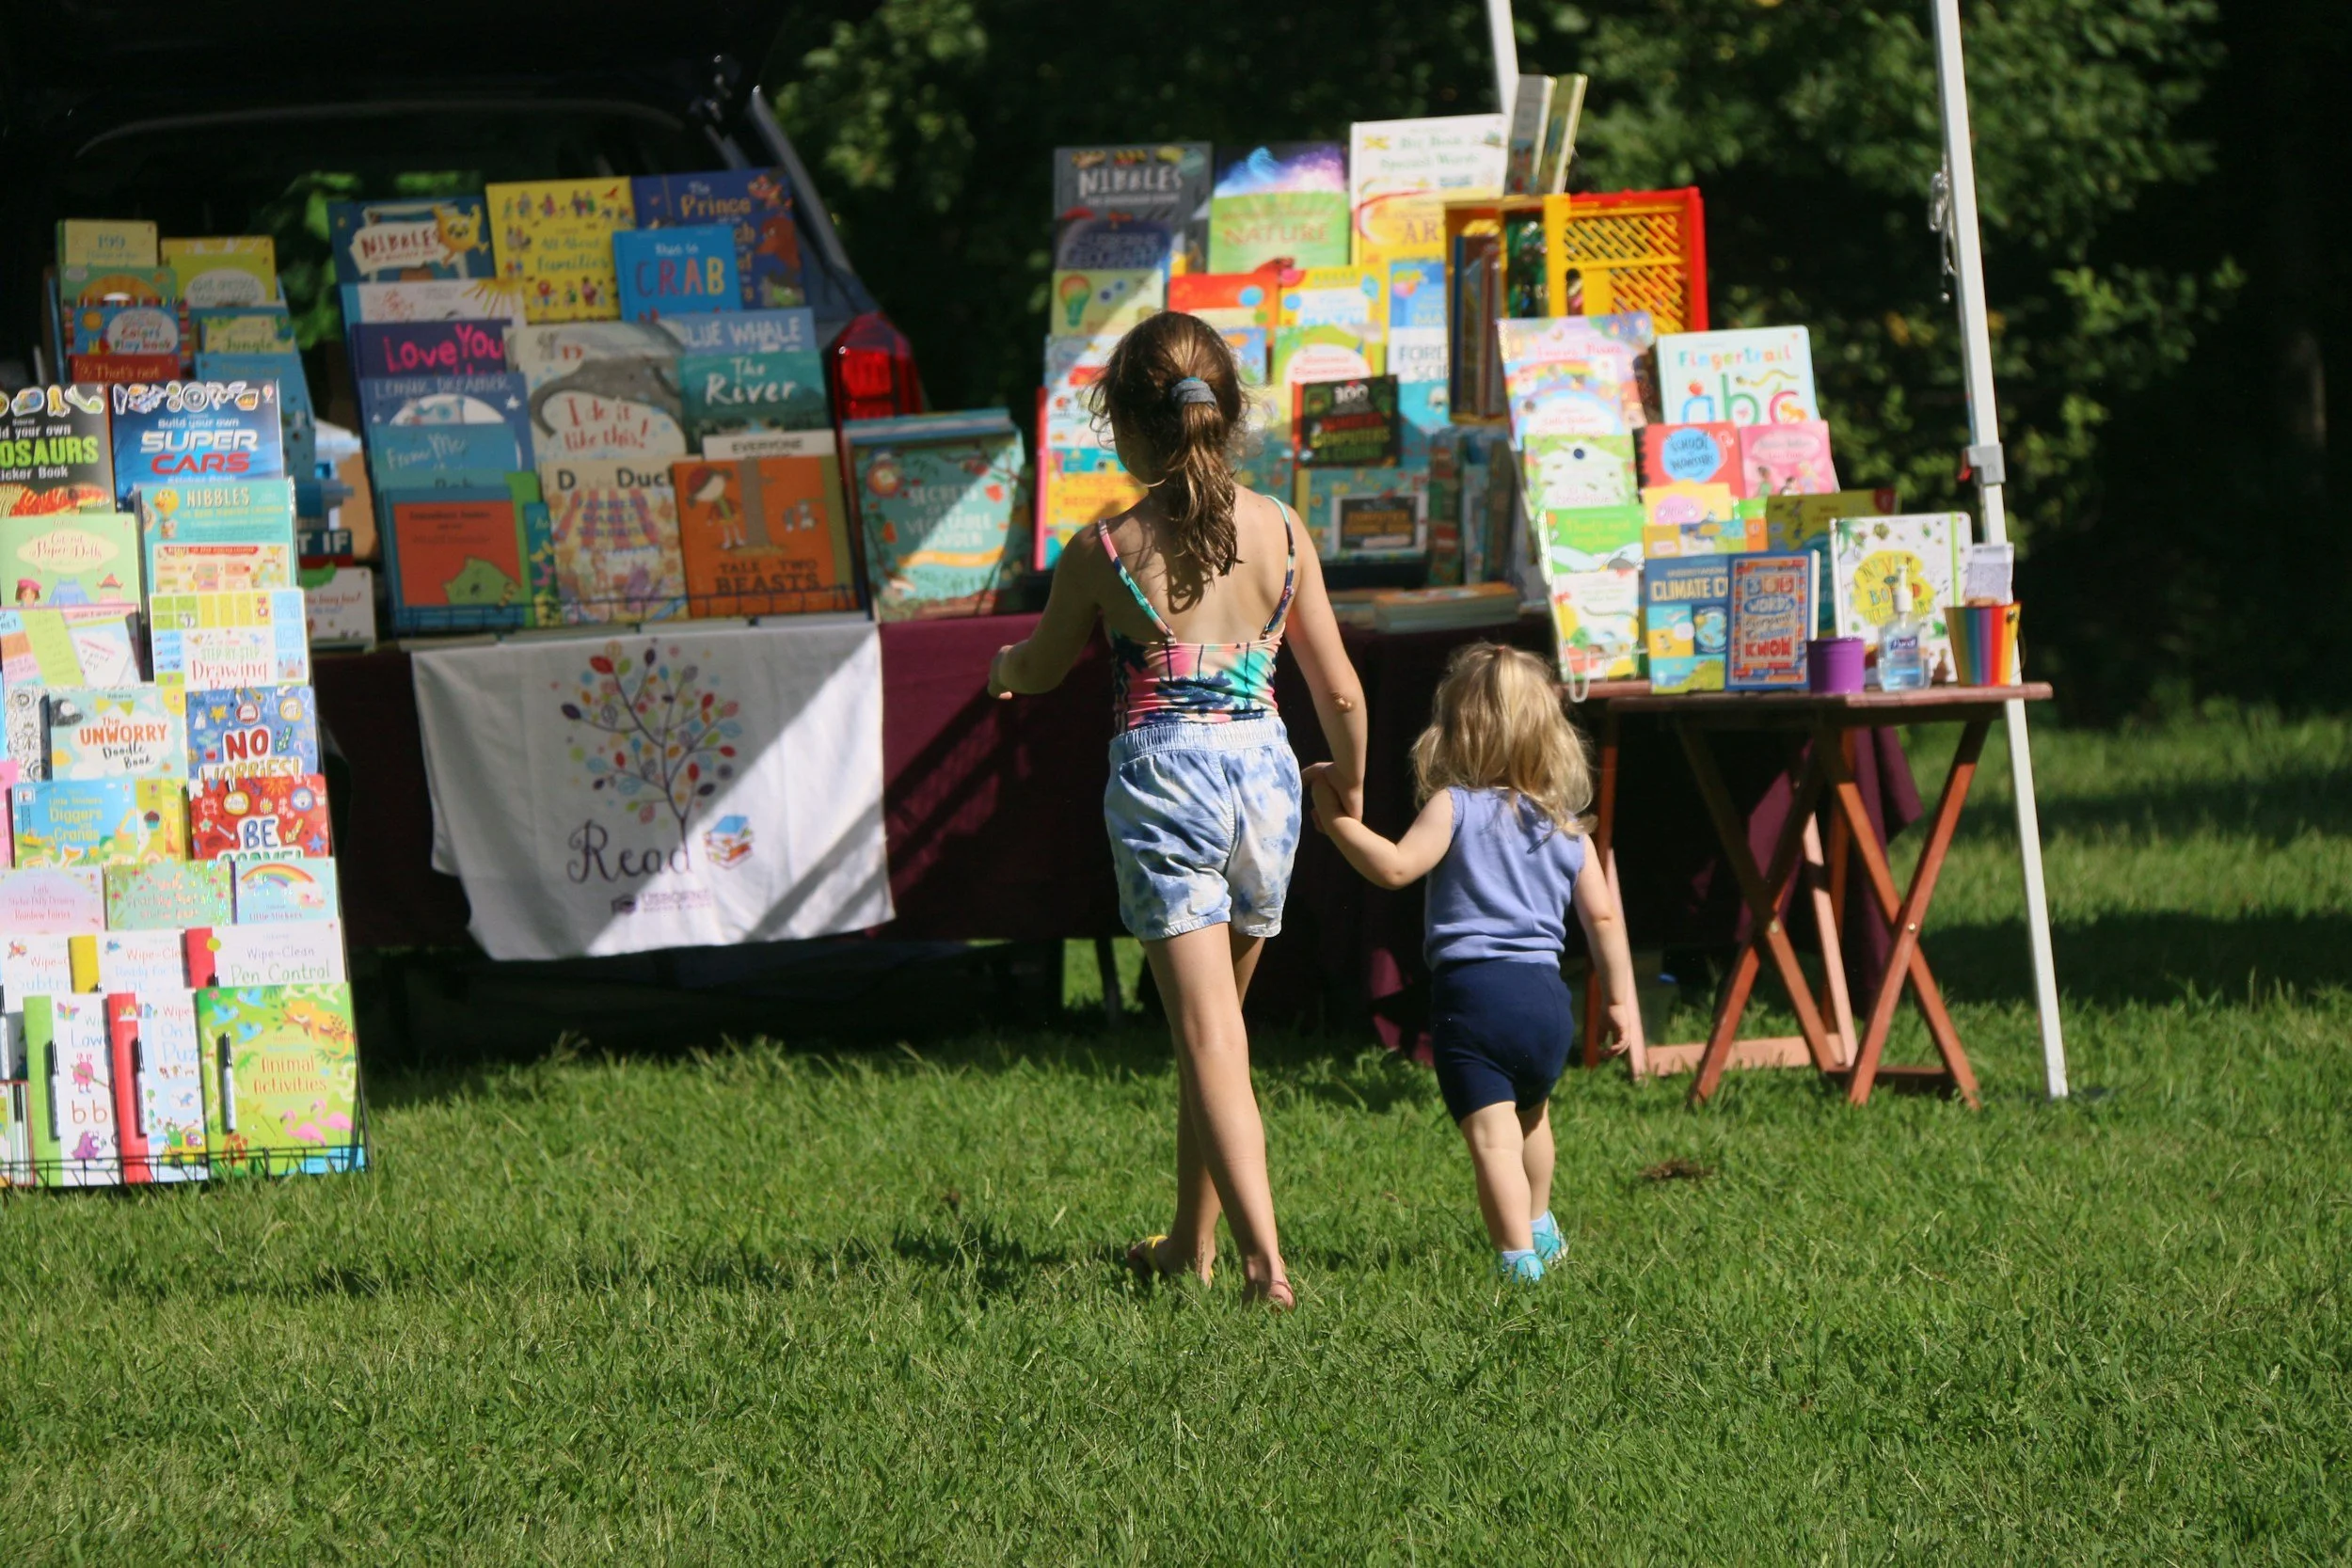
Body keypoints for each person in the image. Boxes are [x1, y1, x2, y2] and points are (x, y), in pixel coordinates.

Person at [987, 310, 1369, 1310]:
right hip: (1266, 782)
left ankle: (1263, 1266)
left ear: (1121, 421)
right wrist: (1354, 783)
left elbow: (1038, 662)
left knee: (1206, 1037)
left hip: (1169, 784)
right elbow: (1340, 695)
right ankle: (1187, 1246)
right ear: (1229, 412)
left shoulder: (1106, 548)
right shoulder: (1283, 529)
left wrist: (1000, 672)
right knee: (1221, 1034)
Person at [1309, 642, 1643, 1283]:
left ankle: (1517, 1259)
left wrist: (1330, 813)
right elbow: (1602, 918)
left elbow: (1394, 866)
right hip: (1548, 1003)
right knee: (1532, 1115)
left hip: (1475, 997)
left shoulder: (1455, 806)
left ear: (1456, 729)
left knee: (1492, 1139)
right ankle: (1541, 1223)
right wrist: (1622, 1000)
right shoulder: (1565, 826)